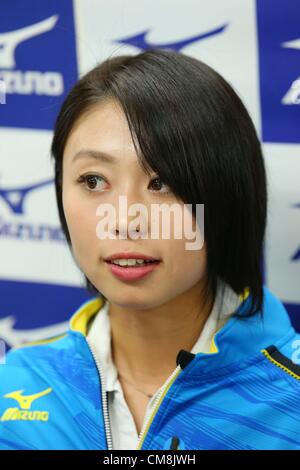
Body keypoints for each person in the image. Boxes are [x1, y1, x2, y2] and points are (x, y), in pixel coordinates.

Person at [0, 49, 300, 450]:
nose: (125, 220)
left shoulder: (290, 395)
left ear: (228, 194)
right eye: (93, 181)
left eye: (162, 182)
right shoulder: (16, 386)